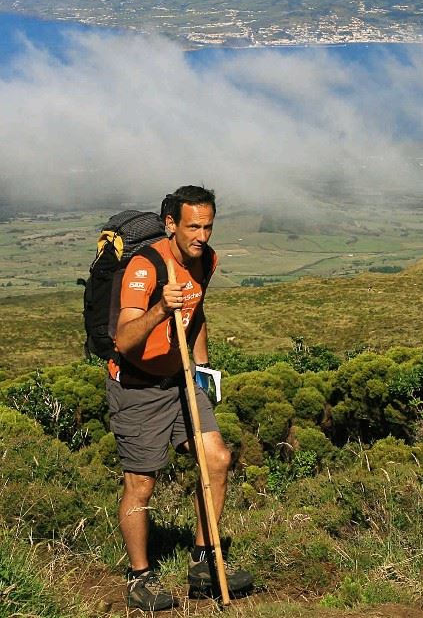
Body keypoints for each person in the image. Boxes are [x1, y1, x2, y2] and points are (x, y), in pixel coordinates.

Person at [107, 185, 253, 611]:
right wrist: (159, 310)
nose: (202, 235)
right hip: (137, 386)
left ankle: (203, 561)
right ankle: (140, 578)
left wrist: (203, 369)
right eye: (193, 226)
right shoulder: (146, 266)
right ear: (171, 224)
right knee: (141, 483)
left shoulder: (206, 259)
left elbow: (198, 311)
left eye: (208, 226)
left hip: (181, 379)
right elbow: (125, 338)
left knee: (217, 459)